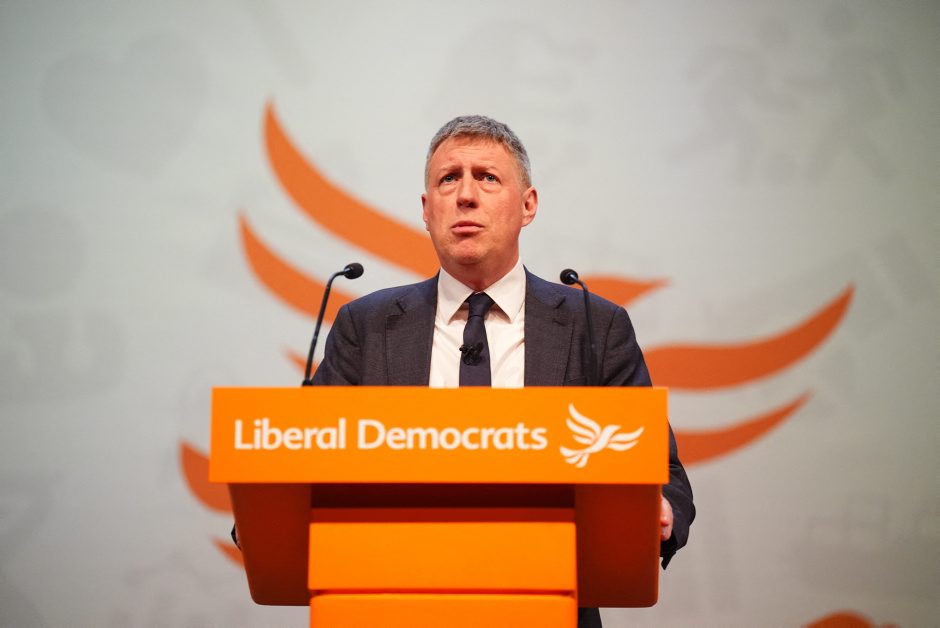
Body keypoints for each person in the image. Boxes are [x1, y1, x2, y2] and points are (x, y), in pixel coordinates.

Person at [309, 115, 695, 628]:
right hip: (395, 606)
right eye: (448, 179)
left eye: (487, 177)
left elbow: (663, 474)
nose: (465, 196)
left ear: (528, 205)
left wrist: (660, 510)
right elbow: (307, 460)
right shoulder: (367, 325)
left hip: (550, 607)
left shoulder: (593, 324)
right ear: (426, 209)